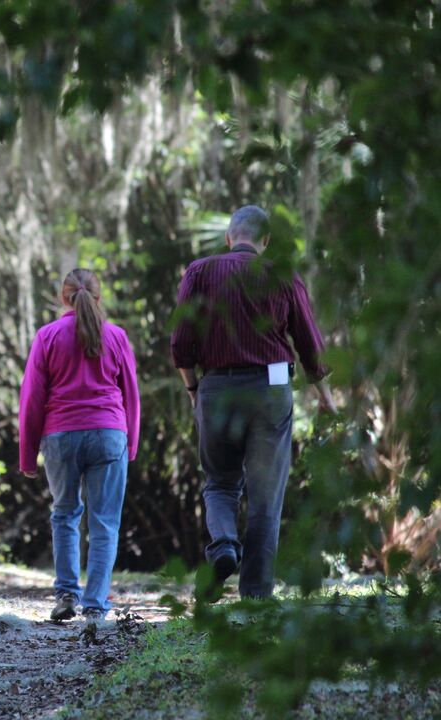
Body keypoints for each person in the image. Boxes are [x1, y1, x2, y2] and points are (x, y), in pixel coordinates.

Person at [171, 205, 336, 599]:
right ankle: (256, 595)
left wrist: (194, 388)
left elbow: (180, 341)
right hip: (270, 390)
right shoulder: (283, 276)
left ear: (229, 238)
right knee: (266, 497)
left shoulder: (199, 272)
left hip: (216, 389)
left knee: (220, 482)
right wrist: (327, 399)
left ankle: (224, 544)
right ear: (265, 242)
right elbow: (311, 345)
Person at [19, 269, 140, 624]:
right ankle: (96, 604)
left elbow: (32, 399)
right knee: (104, 522)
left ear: (63, 297)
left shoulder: (47, 336)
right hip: (109, 433)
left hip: (61, 436)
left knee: (65, 513)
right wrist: (130, 445)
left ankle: (66, 595)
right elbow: (130, 395)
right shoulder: (116, 336)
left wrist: (27, 453)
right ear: (98, 297)